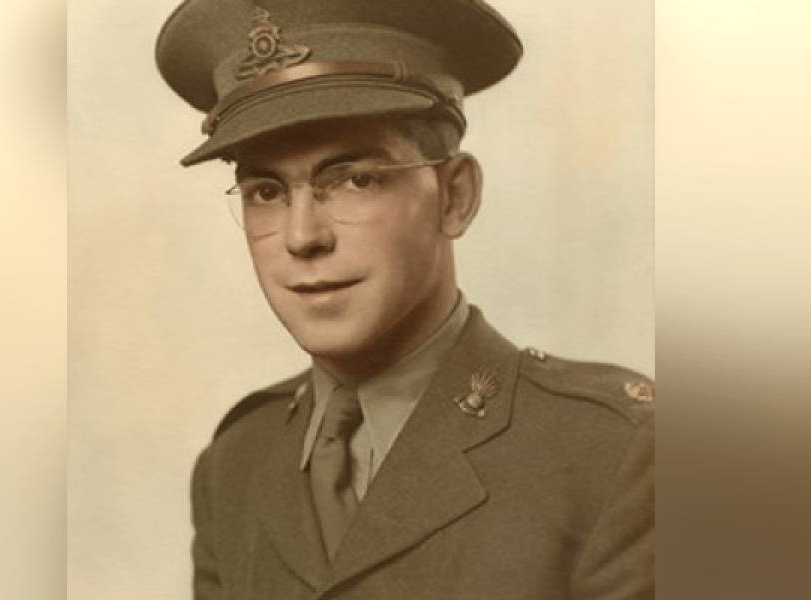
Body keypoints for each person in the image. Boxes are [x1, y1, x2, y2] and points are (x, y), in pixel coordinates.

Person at [155, 1, 654, 598]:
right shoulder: (235, 465)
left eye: (355, 180)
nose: (302, 236)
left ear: (455, 198)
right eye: (266, 191)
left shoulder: (618, 454)